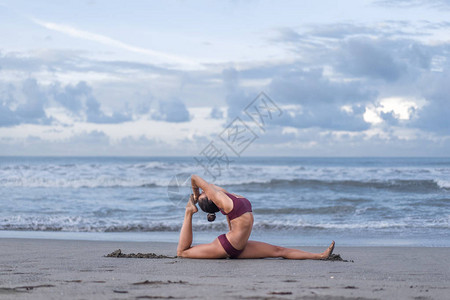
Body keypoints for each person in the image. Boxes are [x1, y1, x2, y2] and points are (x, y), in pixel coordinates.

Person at [177, 174, 335, 259]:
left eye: (204, 192)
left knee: (279, 251)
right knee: (183, 253)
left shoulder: (225, 197)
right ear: (212, 199)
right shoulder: (222, 199)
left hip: (241, 246)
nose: (207, 190)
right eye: (207, 193)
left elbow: (210, 188)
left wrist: (200, 197)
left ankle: (320, 256)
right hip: (228, 246)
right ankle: (188, 212)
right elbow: (195, 177)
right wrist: (197, 196)